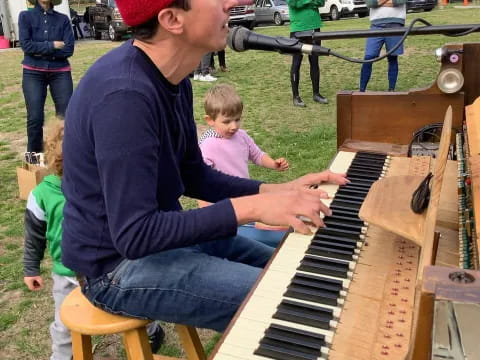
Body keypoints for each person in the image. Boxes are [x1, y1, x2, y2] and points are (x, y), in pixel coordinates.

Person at [61, 0, 348, 333]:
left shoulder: (173, 77)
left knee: (300, 271)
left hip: (156, 243)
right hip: (114, 268)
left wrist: (276, 189)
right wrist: (254, 207)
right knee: (298, 300)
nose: (234, 3)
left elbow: (193, 175)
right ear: (171, 19)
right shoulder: (125, 96)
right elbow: (135, 235)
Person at [23, 121, 164, 359]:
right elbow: (34, 236)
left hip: (110, 268)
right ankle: (62, 355)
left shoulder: (105, 187)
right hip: (66, 275)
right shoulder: (41, 195)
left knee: (131, 307)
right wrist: (30, 268)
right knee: (64, 328)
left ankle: (151, 329)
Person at [198, 84, 289, 247]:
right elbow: (200, 180)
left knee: (281, 220)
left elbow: (257, 155)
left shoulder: (242, 136)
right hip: (226, 210)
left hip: (246, 199)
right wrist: (210, 217)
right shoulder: (207, 145)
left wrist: (273, 164)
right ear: (210, 120)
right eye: (226, 122)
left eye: (237, 119)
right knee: (271, 234)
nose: (233, 126)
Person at [19, 0, 75, 153]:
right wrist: (53, 45)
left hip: (60, 72)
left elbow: (69, 49)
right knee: (35, 118)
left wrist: (39, 50)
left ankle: (65, 156)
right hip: (33, 72)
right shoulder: (25, 16)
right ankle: (35, 159)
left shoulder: (63, 19)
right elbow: (26, 45)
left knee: (66, 116)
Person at [287, 0, 328, 108]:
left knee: (314, 62)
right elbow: (293, 3)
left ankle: (316, 94)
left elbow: (321, 2)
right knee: (296, 63)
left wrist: (303, 3)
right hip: (297, 29)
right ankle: (296, 97)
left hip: (314, 27)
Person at [359, 0, 406, 92]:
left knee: (393, 58)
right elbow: (370, 4)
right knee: (368, 57)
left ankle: (391, 90)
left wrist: (378, 2)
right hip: (376, 25)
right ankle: (361, 91)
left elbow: (401, 1)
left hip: (396, 24)